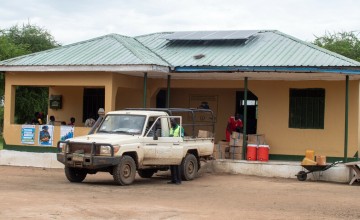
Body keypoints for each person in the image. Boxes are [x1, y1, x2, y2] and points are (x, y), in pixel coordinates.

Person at [168, 118, 184, 185]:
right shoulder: (171, 129)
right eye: (171, 121)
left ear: (175, 122)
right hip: (172, 148)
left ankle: (178, 180)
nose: (171, 122)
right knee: (172, 164)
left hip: (177, 147)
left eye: (172, 121)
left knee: (177, 165)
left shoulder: (180, 128)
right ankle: (173, 179)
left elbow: (182, 138)